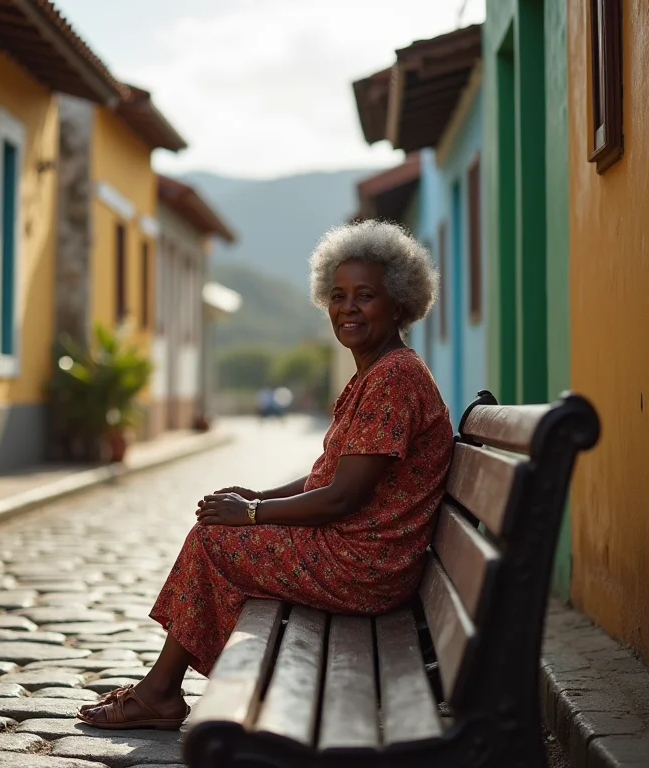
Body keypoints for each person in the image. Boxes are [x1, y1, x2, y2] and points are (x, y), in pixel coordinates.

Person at [78, 220, 453, 730]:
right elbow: (328, 477)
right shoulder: (376, 372)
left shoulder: (394, 378)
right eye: (338, 295)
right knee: (219, 533)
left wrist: (252, 514)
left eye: (365, 296)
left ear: (399, 302)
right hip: (362, 553)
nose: (348, 308)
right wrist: (258, 496)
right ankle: (164, 689)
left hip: (367, 568)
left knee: (215, 542)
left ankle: (161, 693)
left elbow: (341, 498)